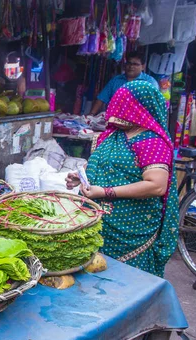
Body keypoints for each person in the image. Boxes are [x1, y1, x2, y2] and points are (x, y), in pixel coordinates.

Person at [66, 80, 178, 277]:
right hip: (98, 224)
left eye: (122, 106)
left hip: (130, 231)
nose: (114, 112)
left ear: (139, 108)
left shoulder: (152, 143)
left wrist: (105, 192)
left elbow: (156, 186)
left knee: (125, 285)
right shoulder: (112, 136)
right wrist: (81, 177)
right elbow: (102, 163)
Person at [89, 51, 159, 115]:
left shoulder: (150, 83)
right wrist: (91, 115)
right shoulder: (116, 80)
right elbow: (102, 98)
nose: (131, 66)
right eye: (129, 63)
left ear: (143, 67)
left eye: (135, 64)